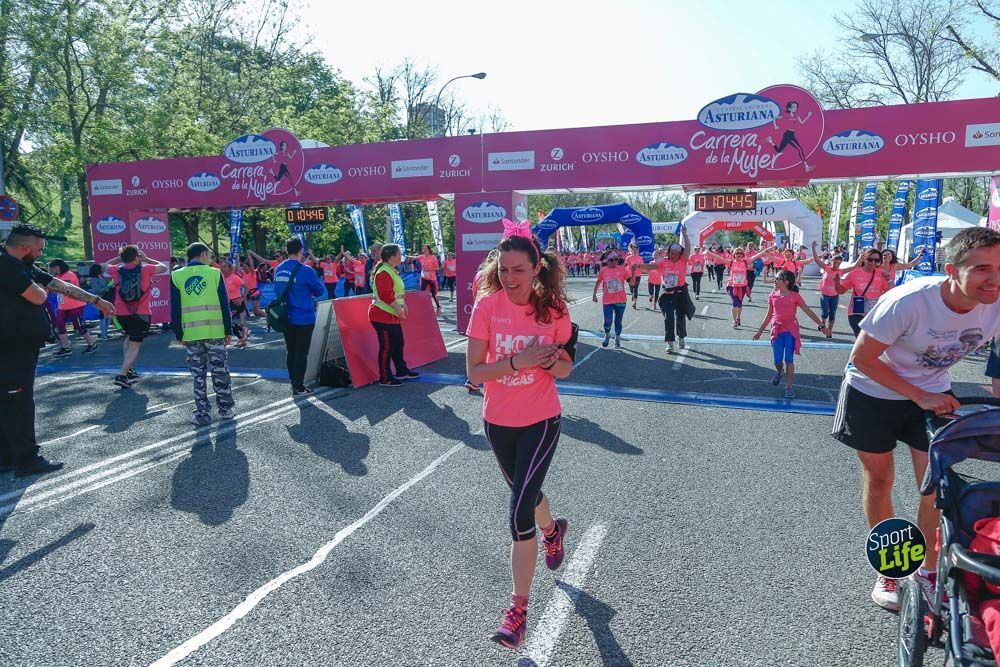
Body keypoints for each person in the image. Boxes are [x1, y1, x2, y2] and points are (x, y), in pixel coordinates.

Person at [831, 228, 1000, 612]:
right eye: (981, 269)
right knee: (880, 480)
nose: (994, 279)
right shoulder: (907, 302)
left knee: (934, 485)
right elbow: (862, 358)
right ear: (951, 270)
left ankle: (923, 568)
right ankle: (890, 568)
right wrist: (918, 394)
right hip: (872, 391)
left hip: (932, 395)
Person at [465, 219, 574, 651]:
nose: (510, 278)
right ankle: (554, 531)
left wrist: (546, 363)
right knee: (526, 495)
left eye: (519, 270)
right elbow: (474, 372)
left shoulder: (554, 310)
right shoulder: (487, 307)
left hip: (541, 419)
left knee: (517, 513)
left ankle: (518, 613)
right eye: (504, 269)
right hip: (497, 421)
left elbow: (566, 367)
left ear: (536, 270)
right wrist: (521, 360)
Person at [0, 223, 114, 476]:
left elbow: (58, 285)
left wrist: (96, 300)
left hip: (18, 343)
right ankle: (27, 460)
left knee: (9, 400)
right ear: (25, 248)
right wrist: (37, 284)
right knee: (17, 401)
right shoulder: (7, 265)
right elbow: (39, 296)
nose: (41, 255)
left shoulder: (22, 264)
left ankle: (8, 456)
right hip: (11, 345)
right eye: (38, 250)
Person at [170, 244, 235, 426]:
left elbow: (175, 309)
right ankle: (226, 409)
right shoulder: (214, 274)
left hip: (191, 333)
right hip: (215, 331)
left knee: (198, 375)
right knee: (220, 370)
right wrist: (228, 330)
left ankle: (202, 413)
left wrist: (179, 333)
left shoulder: (176, 276)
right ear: (204, 254)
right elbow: (224, 304)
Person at [752, 270, 829, 398]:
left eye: (777, 279)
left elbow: (808, 311)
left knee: (789, 359)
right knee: (777, 360)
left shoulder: (795, 296)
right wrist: (760, 331)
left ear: (785, 281)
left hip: (790, 331)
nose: (774, 281)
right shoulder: (772, 295)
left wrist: (821, 325)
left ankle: (789, 386)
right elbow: (769, 314)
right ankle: (779, 371)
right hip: (777, 330)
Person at [105, 245, 168, 389]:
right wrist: (146, 258)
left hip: (121, 311)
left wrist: (119, 258)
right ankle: (122, 375)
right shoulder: (146, 269)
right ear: (136, 257)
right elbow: (163, 267)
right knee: (135, 344)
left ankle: (129, 369)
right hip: (141, 312)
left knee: (128, 337)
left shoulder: (116, 270)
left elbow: (104, 265)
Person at [273, 237, 326, 395]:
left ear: (286, 250)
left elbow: (277, 291)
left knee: (291, 350)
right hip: (303, 317)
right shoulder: (305, 270)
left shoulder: (279, 269)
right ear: (300, 251)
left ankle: (293, 382)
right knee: (301, 352)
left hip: (285, 316)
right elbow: (319, 291)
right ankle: (299, 385)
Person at [632, 230, 693, 354]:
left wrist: (685, 235)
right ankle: (670, 343)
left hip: (680, 293)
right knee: (668, 318)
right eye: (672, 253)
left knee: (680, 318)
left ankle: (681, 337)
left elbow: (688, 248)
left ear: (680, 254)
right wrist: (638, 266)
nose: (674, 255)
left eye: (677, 254)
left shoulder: (683, 261)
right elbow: (651, 267)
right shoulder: (664, 262)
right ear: (668, 253)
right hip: (667, 295)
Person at [368, 244, 419, 387]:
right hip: (382, 315)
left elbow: (397, 293)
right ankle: (385, 377)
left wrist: (404, 307)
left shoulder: (391, 270)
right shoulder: (384, 272)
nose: (401, 256)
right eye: (398, 254)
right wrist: (399, 309)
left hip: (391, 314)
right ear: (391, 257)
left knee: (398, 343)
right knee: (387, 347)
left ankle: (401, 370)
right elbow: (386, 296)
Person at [706, 245, 773, 328]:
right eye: (737, 253)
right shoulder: (730, 262)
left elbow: (757, 255)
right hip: (731, 286)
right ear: (734, 254)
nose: (739, 254)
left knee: (740, 303)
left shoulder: (746, 262)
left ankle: (738, 317)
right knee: (735, 303)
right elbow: (719, 257)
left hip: (742, 286)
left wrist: (766, 250)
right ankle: (734, 321)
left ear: (743, 254)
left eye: (741, 253)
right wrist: (708, 252)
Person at [834, 248, 891, 337]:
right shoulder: (854, 273)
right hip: (856, 312)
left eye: (876, 260)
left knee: (872, 341)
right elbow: (841, 291)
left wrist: (889, 280)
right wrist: (837, 282)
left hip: (874, 312)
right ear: (864, 258)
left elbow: (890, 292)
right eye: (870, 259)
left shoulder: (881, 274)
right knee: (861, 338)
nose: (873, 263)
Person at [47, 259, 99, 356]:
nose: (54, 270)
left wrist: (52, 286)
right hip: (62, 306)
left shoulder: (69, 275)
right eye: (53, 268)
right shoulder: (58, 277)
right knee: (60, 325)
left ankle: (92, 344)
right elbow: (55, 291)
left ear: (61, 266)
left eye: (55, 268)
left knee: (78, 326)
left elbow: (66, 290)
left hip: (75, 305)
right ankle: (65, 347)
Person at [593, 250, 630, 349]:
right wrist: (594, 294)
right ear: (607, 261)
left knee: (618, 321)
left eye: (616, 259)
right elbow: (598, 281)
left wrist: (634, 272)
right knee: (608, 321)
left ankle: (617, 338)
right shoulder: (603, 270)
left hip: (621, 300)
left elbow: (632, 283)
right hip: (608, 300)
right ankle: (607, 335)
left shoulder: (622, 269)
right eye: (611, 260)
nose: (614, 262)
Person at [766, 100, 815, 172]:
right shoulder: (785, 115)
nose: (795, 108)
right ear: (789, 108)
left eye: (796, 107)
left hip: (792, 134)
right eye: (794, 107)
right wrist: (775, 126)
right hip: (787, 134)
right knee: (800, 149)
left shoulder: (796, 115)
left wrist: (808, 116)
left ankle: (770, 141)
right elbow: (774, 118)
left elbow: (802, 122)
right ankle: (806, 166)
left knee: (779, 150)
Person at [811, 240, 844, 338]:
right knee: (825, 312)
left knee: (832, 313)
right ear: (832, 261)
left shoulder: (841, 271)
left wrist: (861, 257)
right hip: (825, 294)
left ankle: (829, 331)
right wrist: (813, 248)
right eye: (835, 262)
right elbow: (817, 260)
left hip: (834, 295)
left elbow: (854, 267)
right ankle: (822, 322)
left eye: (839, 263)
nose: (836, 264)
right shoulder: (827, 268)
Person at [220, 259, 248, 347]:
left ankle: (241, 335)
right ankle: (242, 333)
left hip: (236, 302)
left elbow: (247, 288)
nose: (222, 268)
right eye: (221, 267)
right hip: (226, 302)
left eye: (224, 267)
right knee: (225, 321)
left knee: (228, 321)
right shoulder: (221, 278)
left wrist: (241, 298)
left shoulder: (234, 277)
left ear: (230, 268)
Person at [85, 263, 113, 340]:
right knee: (103, 317)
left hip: (107, 299)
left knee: (108, 317)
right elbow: (96, 290)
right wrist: (108, 287)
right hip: (99, 300)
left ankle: (105, 333)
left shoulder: (104, 277)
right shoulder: (94, 280)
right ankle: (104, 335)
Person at [418, 245, 442, 314]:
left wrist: (429, 269)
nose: (424, 250)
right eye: (423, 249)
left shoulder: (433, 258)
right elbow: (413, 258)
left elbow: (437, 268)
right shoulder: (421, 257)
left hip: (432, 279)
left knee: (434, 294)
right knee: (422, 292)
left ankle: (438, 307)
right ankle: (423, 308)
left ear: (429, 250)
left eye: (425, 249)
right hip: (424, 278)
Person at [624, 244, 643, 310]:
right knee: (631, 288)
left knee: (636, 288)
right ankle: (632, 294)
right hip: (630, 275)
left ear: (638, 251)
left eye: (636, 250)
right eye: (634, 250)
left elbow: (642, 266)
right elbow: (625, 265)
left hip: (637, 275)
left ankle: (634, 302)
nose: (635, 251)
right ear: (632, 250)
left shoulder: (640, 258)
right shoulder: (628, 258)